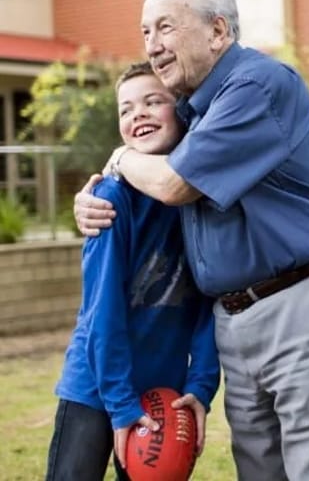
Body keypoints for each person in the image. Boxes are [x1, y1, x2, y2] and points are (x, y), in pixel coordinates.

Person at [74, 0, 309, 481]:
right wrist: (93, 199)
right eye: (145, 32)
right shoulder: (196, 113)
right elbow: (155, 190)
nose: (152, 46)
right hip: (236, 319)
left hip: (306, 301)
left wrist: (121, 159)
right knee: (260, 471)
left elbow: (173, 184)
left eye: (165, 28)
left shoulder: (255, 86)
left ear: (217, 31)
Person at [48, 62, 220, 481]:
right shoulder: (110, 199)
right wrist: (121, 404)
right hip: (94, 384)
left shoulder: (203, 201)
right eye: (125, 109)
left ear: (181, 111)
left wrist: (199, 385)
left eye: (152, 101)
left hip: (163, 392)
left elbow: (211, 305)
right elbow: (102, 310)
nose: (137, 114)